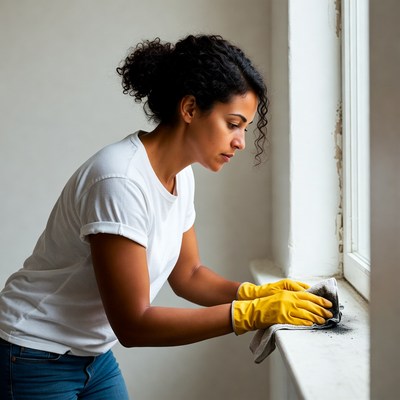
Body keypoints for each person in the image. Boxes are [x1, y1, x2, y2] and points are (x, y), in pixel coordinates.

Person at [0, 34, 333, 399]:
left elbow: (188, 275)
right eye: (233, 123)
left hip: (92, 356)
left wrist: (254, 294)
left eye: (245, 128)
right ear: (190, 109)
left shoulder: (181, 176)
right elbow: (134, 325)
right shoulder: (120, 180)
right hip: (31, 354)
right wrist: (248, 314)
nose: (240, 141)